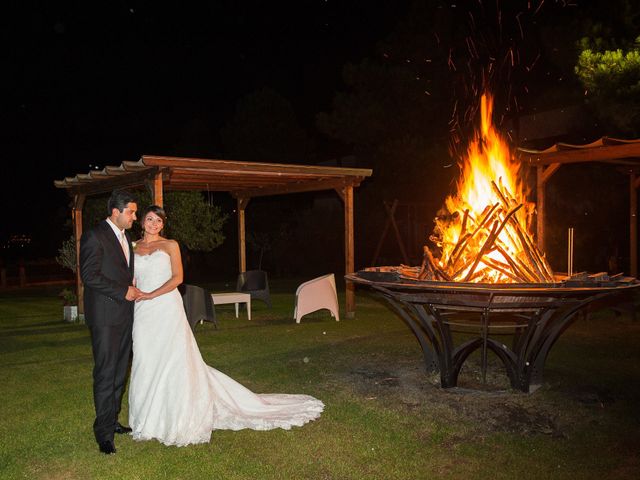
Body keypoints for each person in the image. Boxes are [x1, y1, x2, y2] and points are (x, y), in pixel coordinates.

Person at [129, 205, 324, 446]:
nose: (154, 224)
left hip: (166, 305)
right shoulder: (134, 247)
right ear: (142, 221)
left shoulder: (170, 245)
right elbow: (131, 277)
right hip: (143, 310)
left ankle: (173, 415)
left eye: (158, 221)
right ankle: (147, 416)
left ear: (163, 224)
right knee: (145, 357)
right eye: (150, 219)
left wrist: (152, 294)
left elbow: (178, 278)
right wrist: (135, 291)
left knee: (172, 358)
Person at [79, 190, 141, 455]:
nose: (135, 217)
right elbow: (89, 276)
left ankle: (112, 421)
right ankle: (103, 434)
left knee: (119, 373)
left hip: (125, 315)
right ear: (115, 212)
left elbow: (120, 270)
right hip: (105, 318)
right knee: (106, 374)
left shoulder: (126, 237)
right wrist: (122, 290)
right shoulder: (95, 236)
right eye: (132, 212)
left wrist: (131, 285)